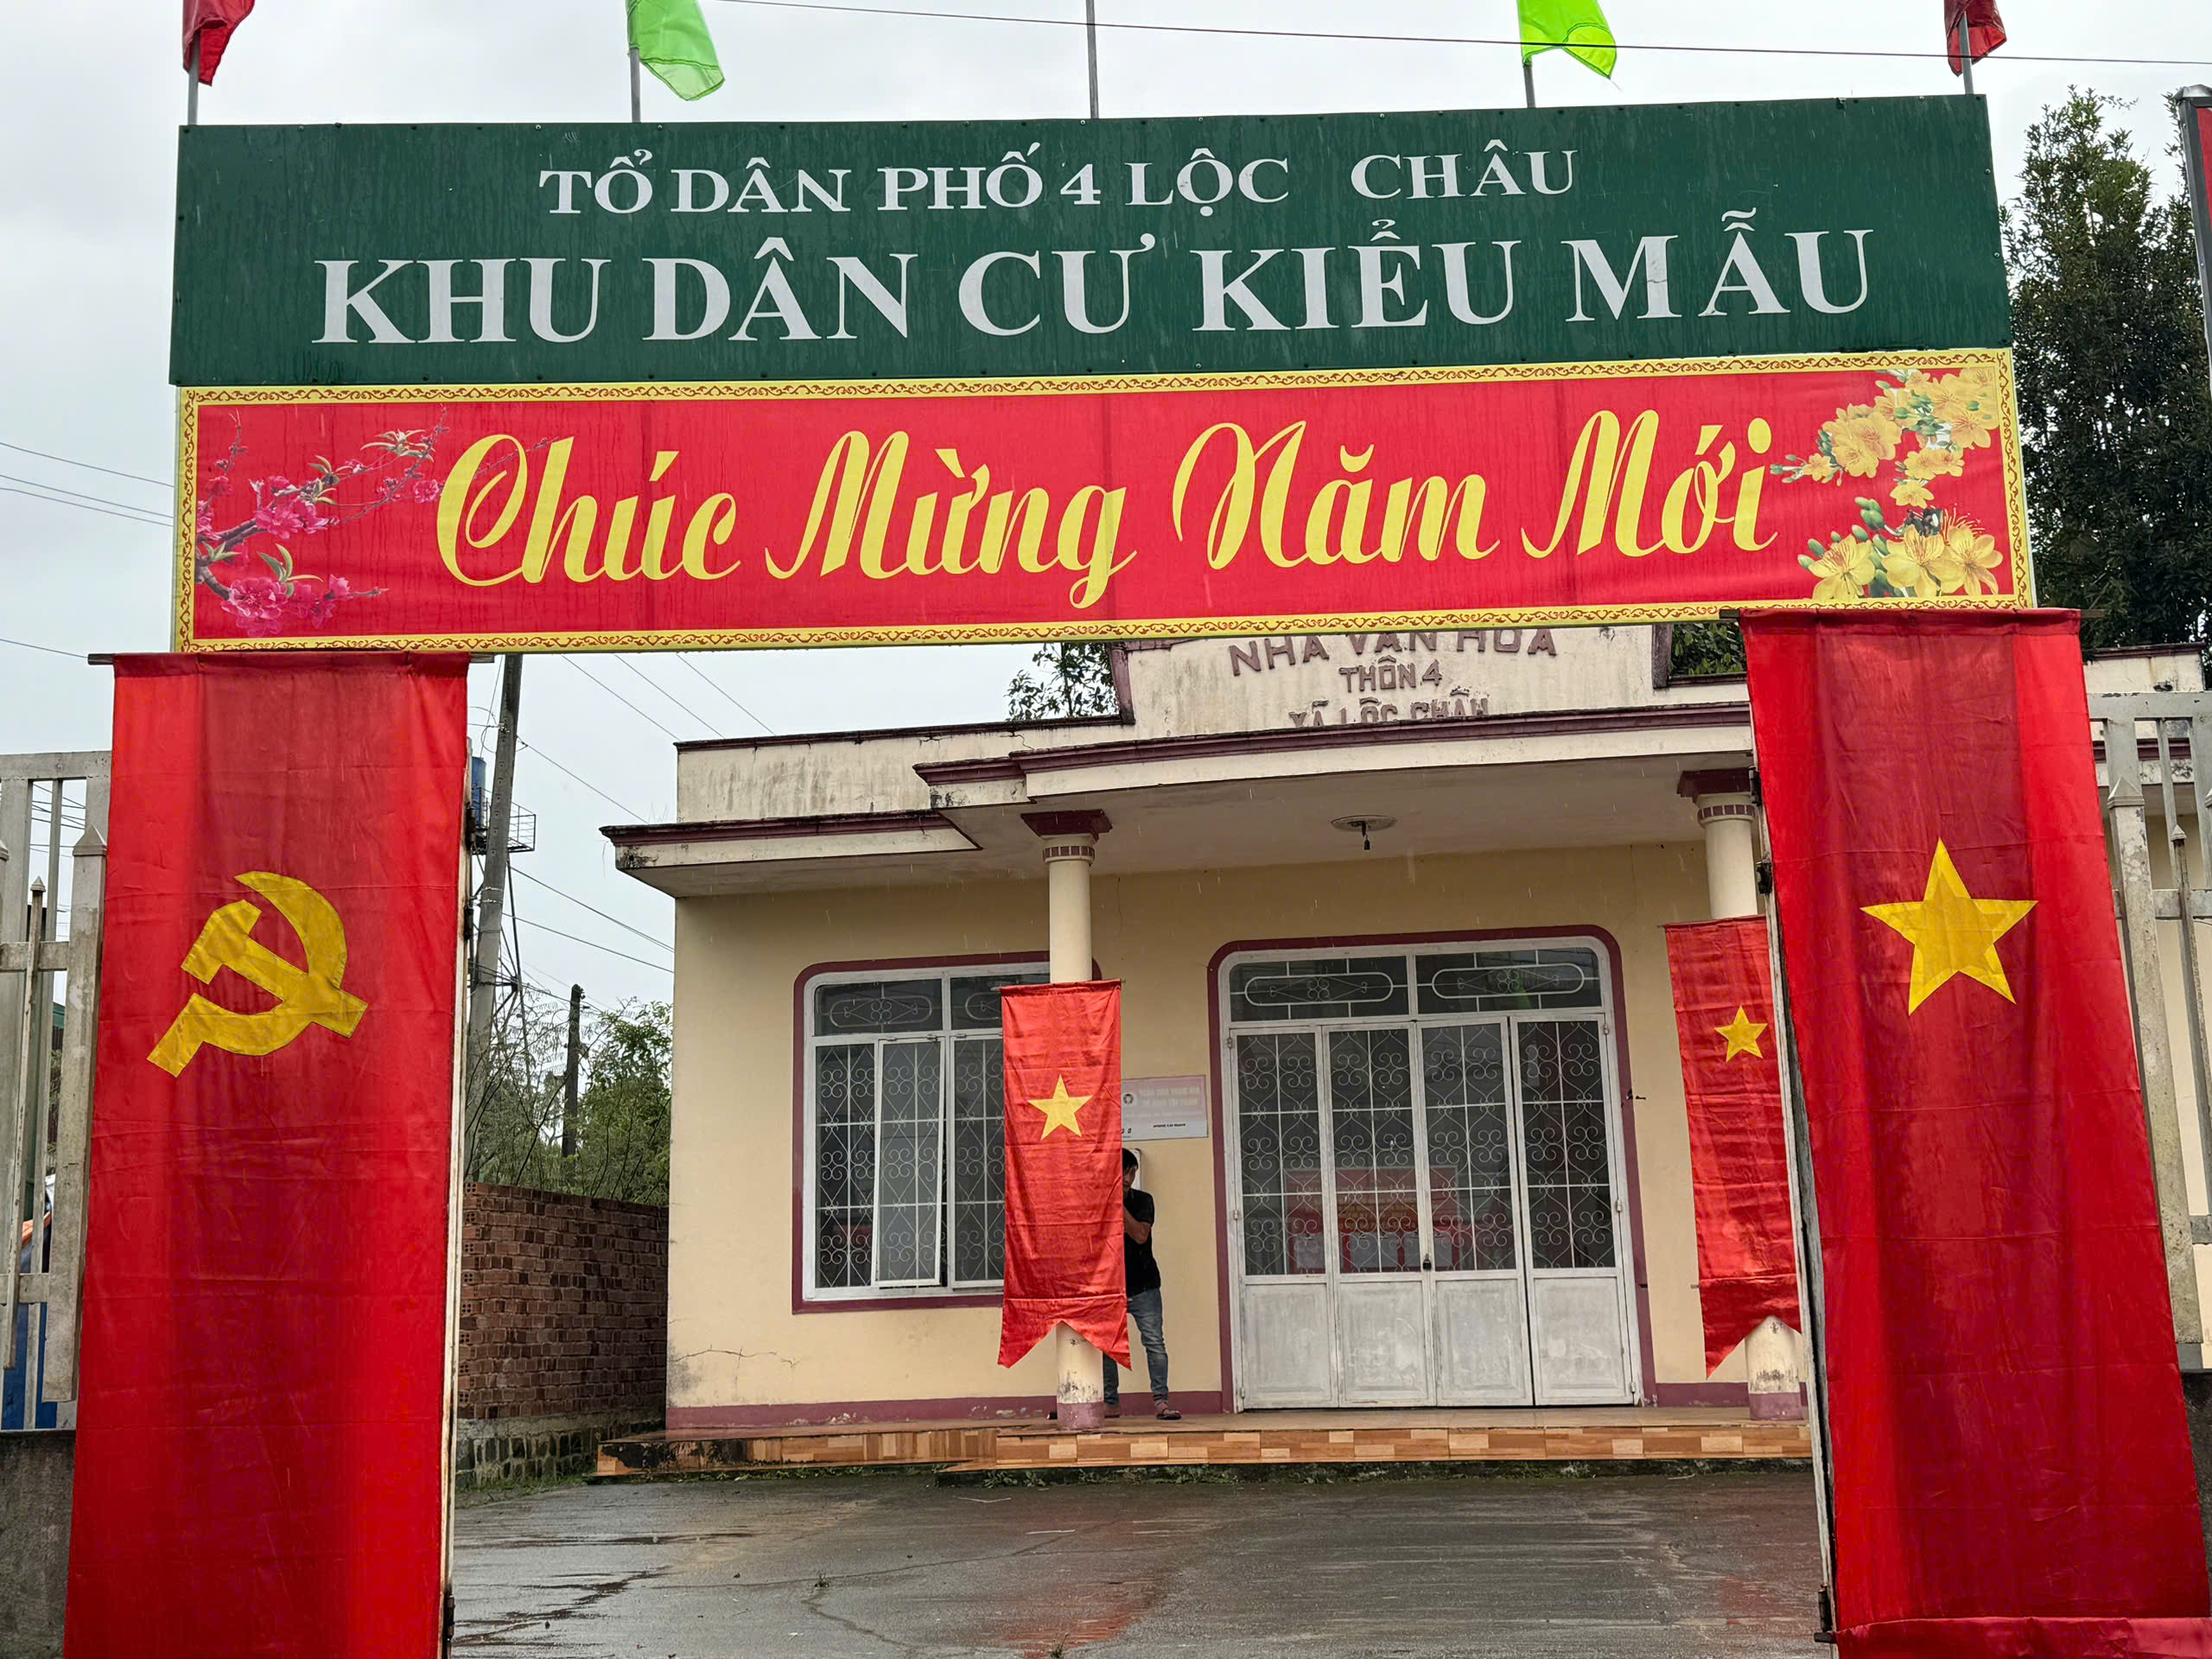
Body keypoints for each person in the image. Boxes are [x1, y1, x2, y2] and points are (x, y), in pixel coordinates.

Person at [1106, 1148, 1178, 1420]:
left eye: (1131, 1173)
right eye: (1122, 1172)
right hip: (1110, 1287)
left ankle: (1161, 1402)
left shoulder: (1144, 1200)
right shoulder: (1097, 1203)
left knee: (1154, 1343)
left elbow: (1139, 1235)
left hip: (1145, 1285)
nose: (1127, 1179)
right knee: (1106, 1346)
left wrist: (1116, 1203)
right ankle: (1110, 1403)